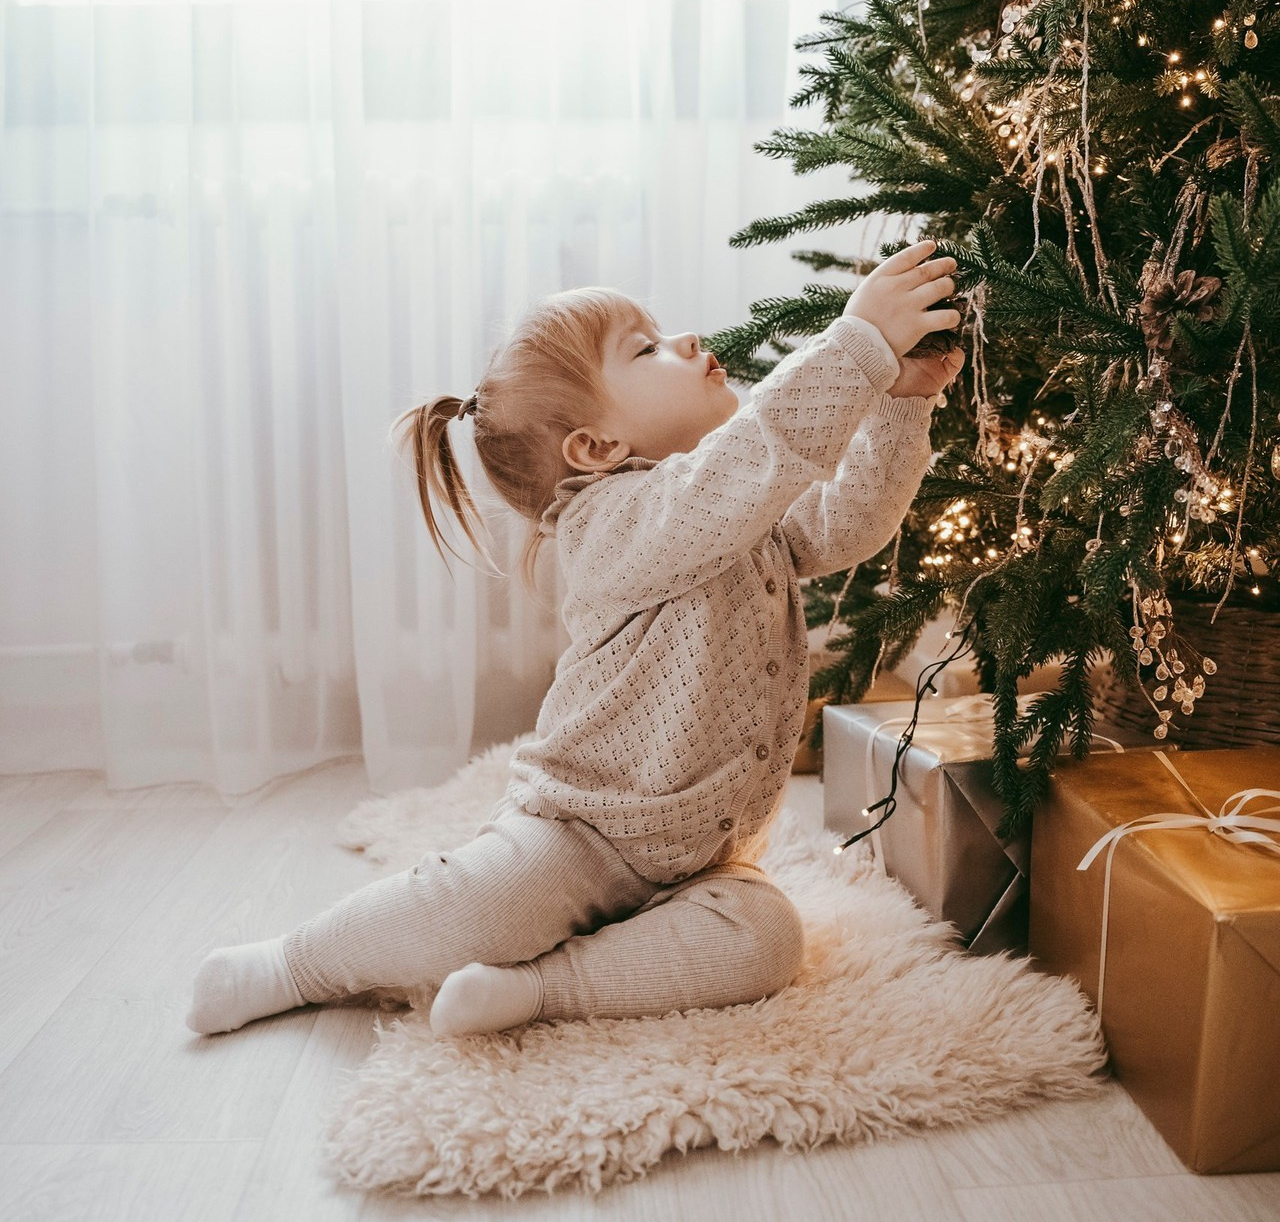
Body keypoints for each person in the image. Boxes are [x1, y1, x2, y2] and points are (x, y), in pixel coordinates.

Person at [187, 238, 964, 1036]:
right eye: (647, 349)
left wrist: (904, 402)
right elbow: (754, 457)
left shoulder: (733, 506)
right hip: (583, 832)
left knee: (766, 943)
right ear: (596, 449)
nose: (690, 343)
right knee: (480, 903)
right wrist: (856, 346)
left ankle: (538, 991)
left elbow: (848, 523)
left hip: (707, 858)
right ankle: (291, 963)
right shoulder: (613, 523)